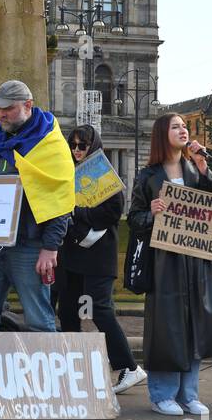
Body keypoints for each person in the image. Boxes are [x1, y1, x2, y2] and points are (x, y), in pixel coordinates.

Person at [128, 113, 212, 414]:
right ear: (162, 134)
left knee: (195, 326)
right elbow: (134, 219)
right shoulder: (148, 175)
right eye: (176, 126)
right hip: (166, 264)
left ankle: (188, 393)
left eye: (184, 126)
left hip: (197, 261)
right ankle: (162, 393)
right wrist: (152, 213)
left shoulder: (196, 169)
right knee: (168, 328)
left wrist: (206, 172)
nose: (183, 130)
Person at [0, 80, 73, 333]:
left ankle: (45, 374)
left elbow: (60, 199)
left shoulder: (51, 144)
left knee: (39, 322)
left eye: (8, 108)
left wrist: (50, 247)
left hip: (30, 245)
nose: (1, 114)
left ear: (28, 106)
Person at [59, 124, 147, 394]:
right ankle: (75, 368)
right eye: (72, 144)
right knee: (67, 310)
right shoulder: (66, 172)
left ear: (93, 146)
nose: (76, 150)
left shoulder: (104, 174)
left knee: (99, 308)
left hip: (97, 254)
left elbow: (113, 211)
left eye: (82, 145)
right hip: (71, 251)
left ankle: (129, 367)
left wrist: (78, 213)